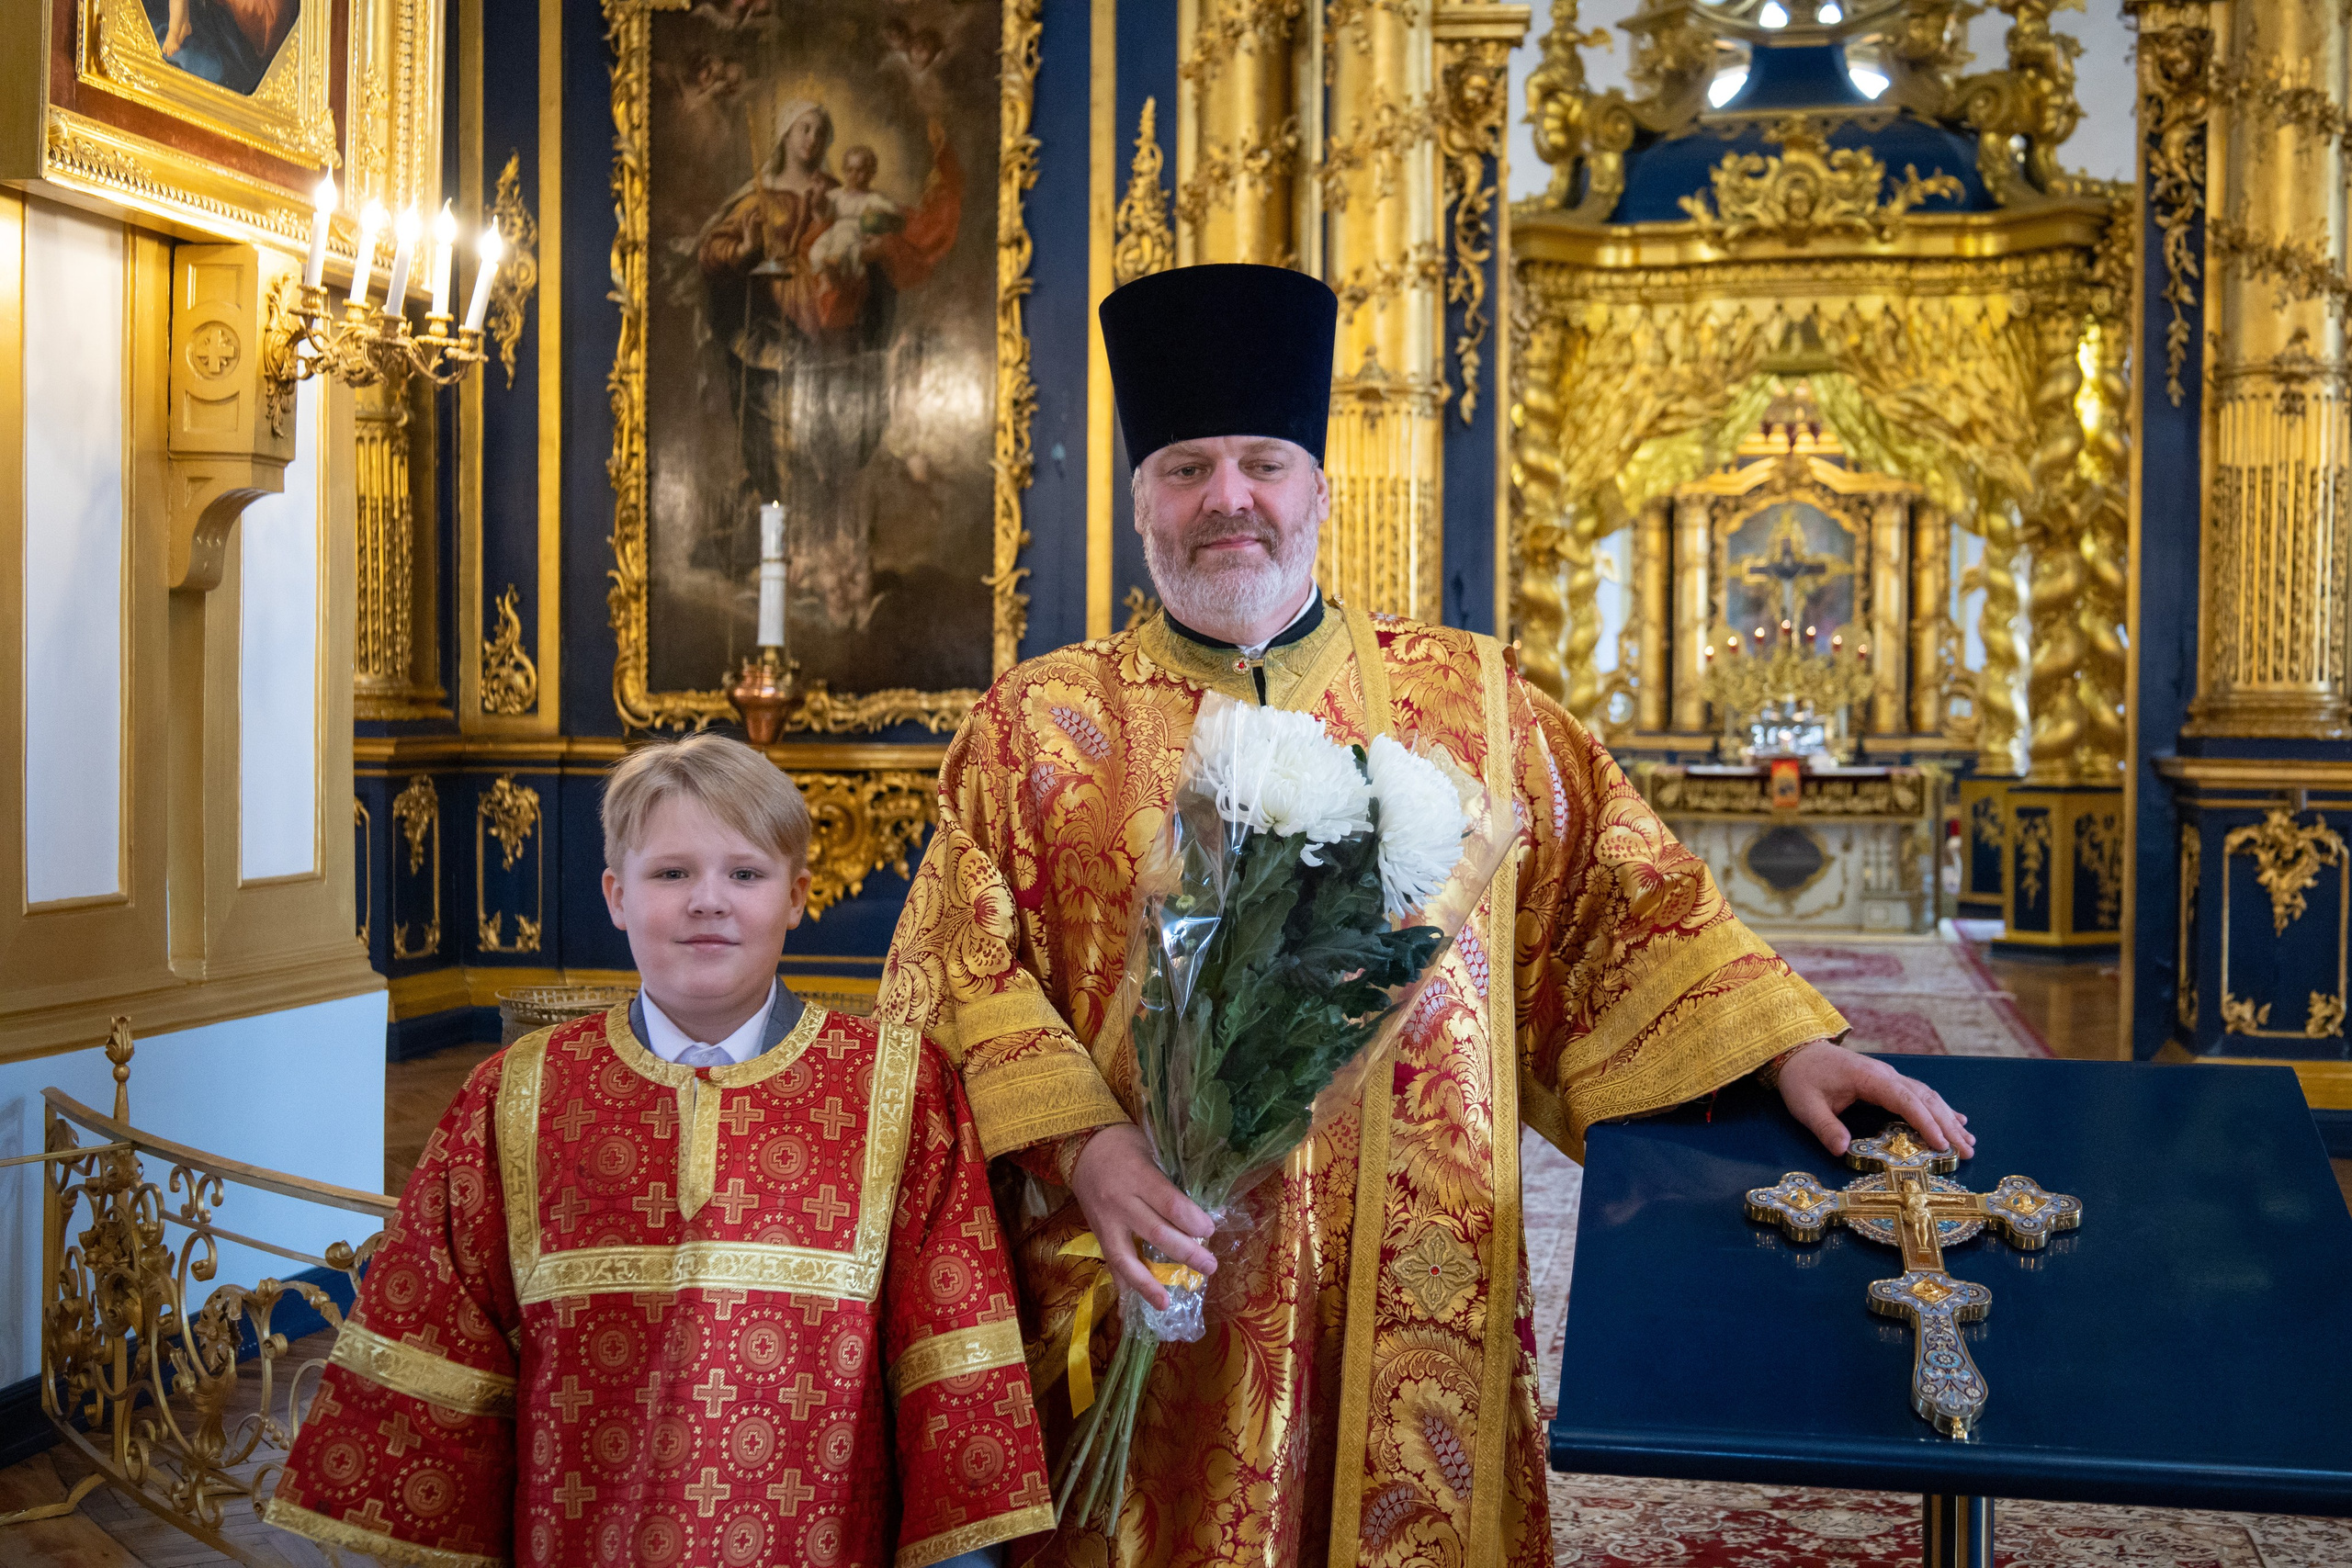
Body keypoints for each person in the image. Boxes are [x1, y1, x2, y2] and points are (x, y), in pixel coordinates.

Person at [877, 264, 1973, 1565]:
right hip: (1141, 1289)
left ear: (1320, 491)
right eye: (1185, 468)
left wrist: (1783, 1045)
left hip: (1420, 1296)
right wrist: (1090, 1147)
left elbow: (1624, 901)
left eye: (1263, 462)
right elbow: (956, 969)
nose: (1228, 497)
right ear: (1139, 502)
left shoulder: (1476, 704)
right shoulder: (1035, 727)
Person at [267, 734, 1052, 1568]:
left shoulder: (900, 1089)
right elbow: (439, 1374)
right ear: (615, 893)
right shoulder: (518, 1094)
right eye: (671, 873)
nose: (708, 901)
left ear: (798, 896)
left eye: (745, 874)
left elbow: (953, 1374)